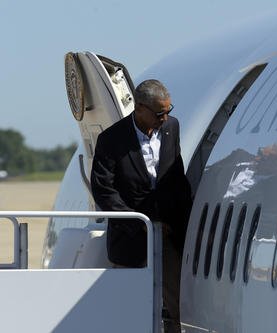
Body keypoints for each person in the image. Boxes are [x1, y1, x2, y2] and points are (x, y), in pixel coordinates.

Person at [91, 79, 192, 333]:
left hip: (168, 235)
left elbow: (176, 176)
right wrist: (139, 224)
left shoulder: (172, 128)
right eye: (160, 113)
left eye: (169, 111)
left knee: (177, 305)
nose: (166, 118)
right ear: (139, 108)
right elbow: (104, 190)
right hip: (131, 238)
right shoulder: (111, 140)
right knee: (131, 306)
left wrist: (183, 222)